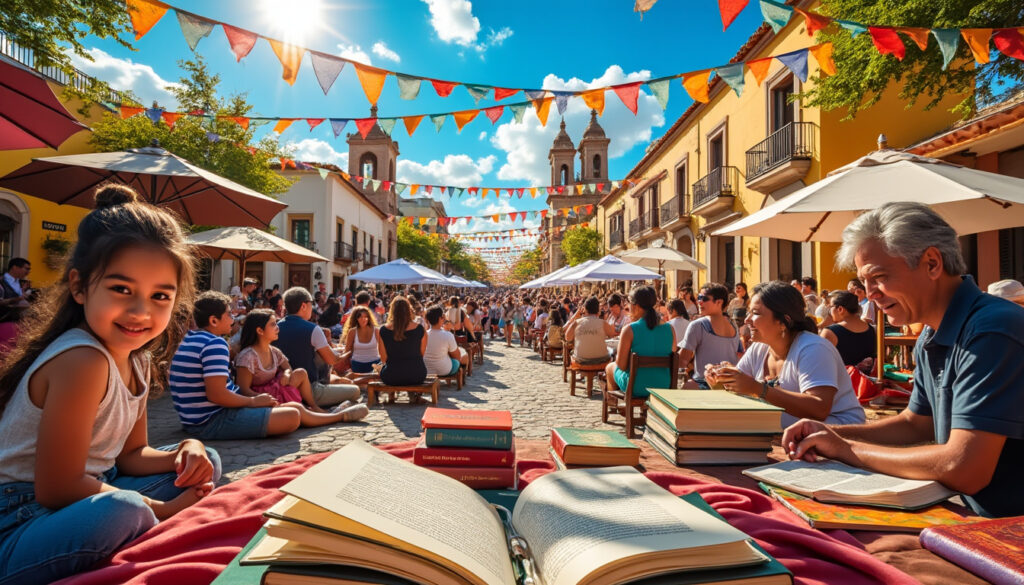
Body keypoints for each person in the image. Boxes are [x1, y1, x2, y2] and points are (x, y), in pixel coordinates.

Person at [0, 185, 220, 585]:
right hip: (18, 518)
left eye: (160, 296)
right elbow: (57, 487)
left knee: (203, 465)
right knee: (127, 509)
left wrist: (189, 449)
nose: (141, 311)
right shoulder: (82, 359)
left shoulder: (136, 357)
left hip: (87, 494)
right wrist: (161, 509)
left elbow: (133, 454)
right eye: (122, 289)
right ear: (80, 287)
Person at [783, 202, 1024, 518]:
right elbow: (915, 424)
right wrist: (830, 433)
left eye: (879, 277)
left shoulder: (993, 328)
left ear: (932, 263)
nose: (869, 294)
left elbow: (964, 468)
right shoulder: (931, 334)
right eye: (864, 282)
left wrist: (847, 449)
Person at [707, 282, 865, 428]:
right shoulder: (759, 348)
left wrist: (758, 388)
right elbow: (741, 390)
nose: (747, 320)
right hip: (788, 436)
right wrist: (721, 381)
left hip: (839, 436)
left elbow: (819, 408)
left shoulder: (813, 348)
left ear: (783, 321)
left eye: (755, 313)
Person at [234, 309, 367, 423]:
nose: (277, 328)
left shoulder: (273, 351)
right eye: (273, 324)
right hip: (260, 398)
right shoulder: (248, 357)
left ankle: (314, 407)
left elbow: (287, 367)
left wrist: (286, 374)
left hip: (276, 390)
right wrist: (260, 400)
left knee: (301, 373)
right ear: (260, 331)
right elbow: (244, 390)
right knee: (297, 411)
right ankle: (336, 416)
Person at [272, 287, 361, 408]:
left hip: (282, 388)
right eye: (311, 303)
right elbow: (332, 360)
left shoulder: (275, 327)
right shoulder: (312, 329)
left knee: (339, 381)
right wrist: (343, 354)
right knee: (355, 391)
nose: (312, 307)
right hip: (309, 390)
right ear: (303, 306)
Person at [605, 285, 675, 398]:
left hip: (636, 386)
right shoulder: (670, 329)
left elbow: (621, 366)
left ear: (636, 306)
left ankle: (619, 407)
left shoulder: (629, 329)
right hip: (663, 385)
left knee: (610, 368)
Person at [677, 283, 743, 388]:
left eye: (704, 298)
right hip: (731, 384)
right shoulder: (733, 326)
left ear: (719, 302)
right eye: (698, 297)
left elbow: (682, 360)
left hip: (705, 384)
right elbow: (739, 355)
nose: (699, 301)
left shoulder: (698, 325)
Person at [377, 296, 428, 387]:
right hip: (416, 374)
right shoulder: (420, 329)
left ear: (392, 311)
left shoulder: (383, 330)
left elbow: (383, 358)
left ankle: (391, 397)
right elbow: (421, 353)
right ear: (409, 310)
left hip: (391, 375)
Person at [820, 291, 876, 369]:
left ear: (840, 309)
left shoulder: (829, 332)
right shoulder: (871, 329)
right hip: (867, 379)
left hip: (841, 380)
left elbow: (820, 362)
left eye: (830, 307)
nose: (829, 311)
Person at [565, 296, 616, 364]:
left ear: (585, 309)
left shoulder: (576, 323)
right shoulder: (603, 323)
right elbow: (612, 334)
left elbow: (567, 338)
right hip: (601, 359)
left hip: (581, 359)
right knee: (612, 351)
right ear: (598, 309)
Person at [423, 305, 468, 377]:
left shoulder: (423, 334)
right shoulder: (447, 335)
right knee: (464, 355)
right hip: (444, 370)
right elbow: (456, 356)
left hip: (426, 369)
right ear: (441, 318)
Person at [341, 306, 381, 374]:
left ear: (369, 318)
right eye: (360, 317)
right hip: (357, 365)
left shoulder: (376, 330)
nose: (363, 319)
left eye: (366, 317)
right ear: (356, 319)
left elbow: (382, 349)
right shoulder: (352, 332)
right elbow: (347, 351)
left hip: (375, 364)